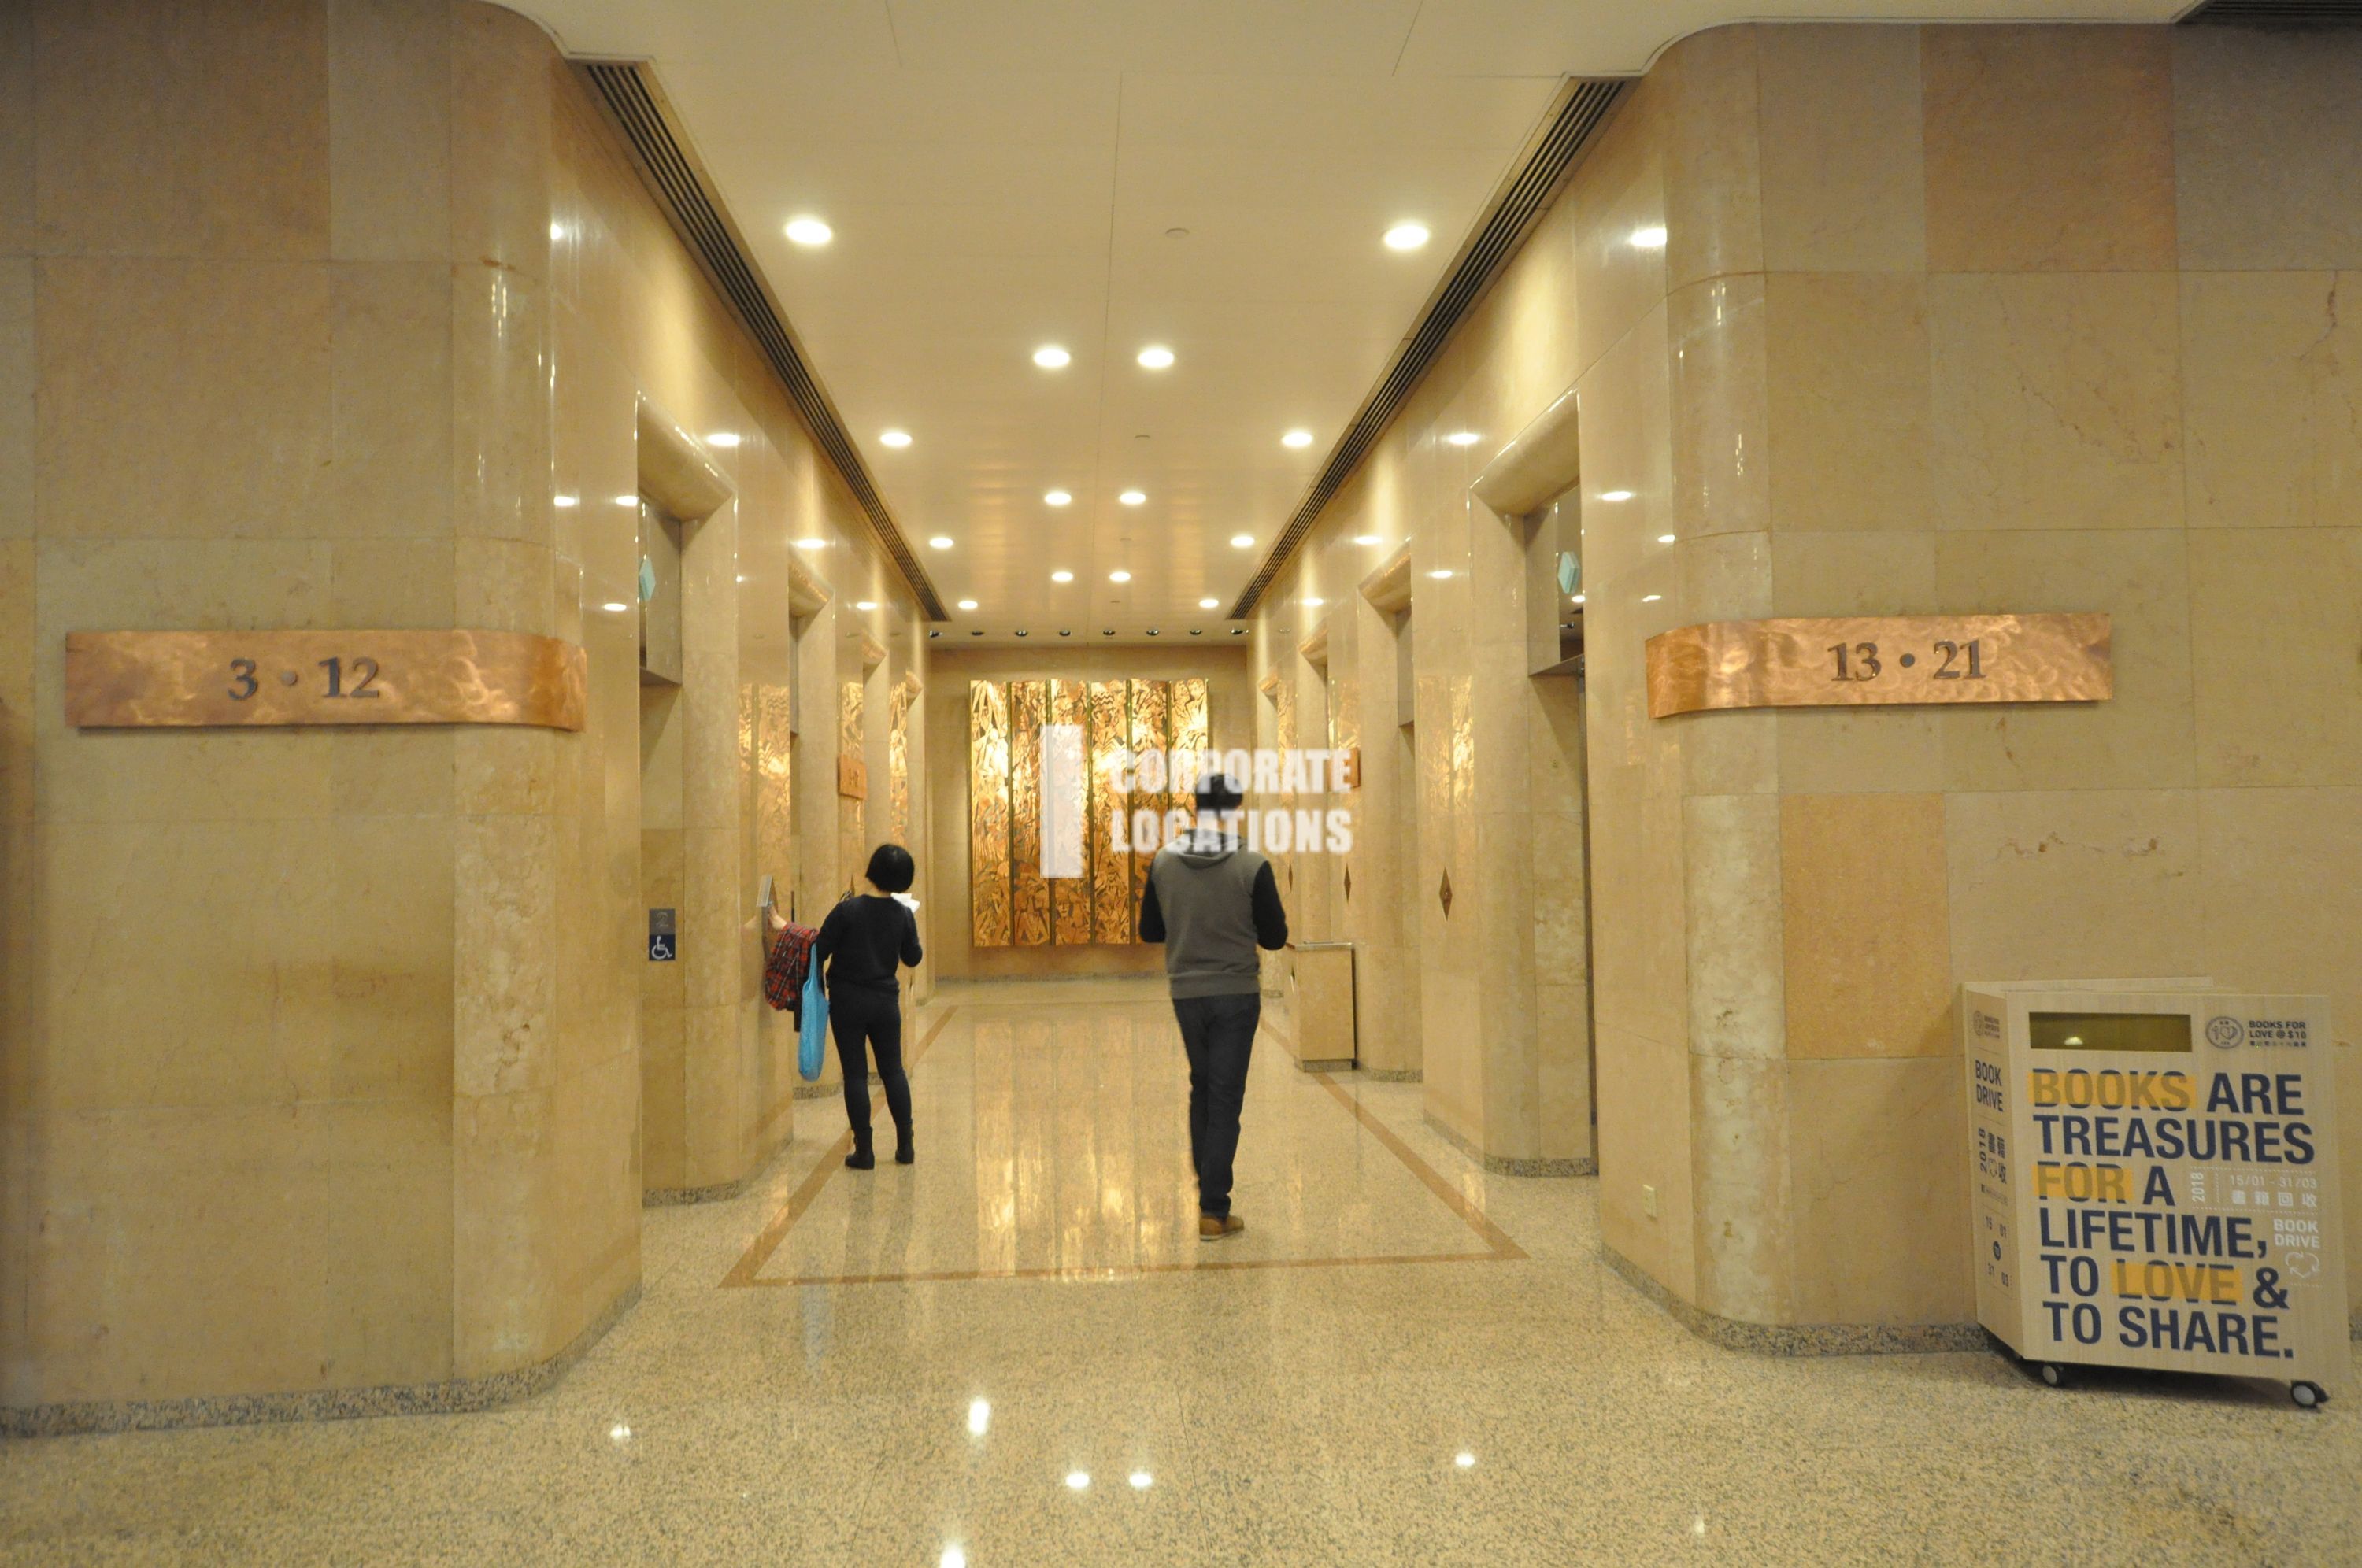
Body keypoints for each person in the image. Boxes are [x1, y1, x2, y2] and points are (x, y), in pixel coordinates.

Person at [1138, 770, 1287, 1241]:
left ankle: (1209, 1189)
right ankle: (1214, 1208)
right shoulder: (1252, 865)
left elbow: (1150, 932)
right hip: (1236, 994)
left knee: (1202, 1086)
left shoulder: (1163, 862)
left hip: (1186, 992)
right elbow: (1276, 937)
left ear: (1196, 809)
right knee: (1225, 1096)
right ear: (1235, 809)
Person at [813, 844, 924, 1169]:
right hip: (885, 1001)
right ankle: (905, 1147)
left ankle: (864, 1151)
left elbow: (819, 949)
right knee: (893, 1070)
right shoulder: (902, 914)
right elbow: (912, 957)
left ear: (871, 870)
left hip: (848, 1002)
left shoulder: (848, 911)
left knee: (856, 1075)